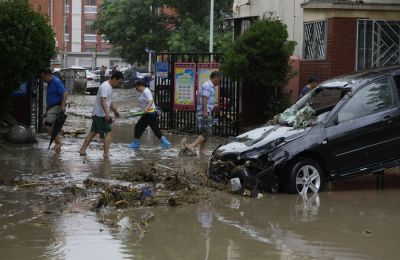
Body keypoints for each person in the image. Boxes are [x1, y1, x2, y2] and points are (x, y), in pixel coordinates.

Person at [79, 71, 123, 157]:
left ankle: (82, 150)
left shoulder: (109, 87)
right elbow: (103, 100)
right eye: (119, 82)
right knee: (109, 133)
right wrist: (106, 114)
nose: (119, 84)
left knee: (93, 133)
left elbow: (109, 101)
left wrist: (115, 111)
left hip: (97, 114)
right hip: (100, 115)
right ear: (114, 79)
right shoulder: (105, 86)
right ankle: (106, 154)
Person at [181, 71, 221, 156]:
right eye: (219, 80)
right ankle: (192, 145)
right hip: (203, 113)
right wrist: (205, 112)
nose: (219, 82)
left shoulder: (210, 86)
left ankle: (202, 151)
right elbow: (204, 99)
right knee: (207, 132)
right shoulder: (207, 86)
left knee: (205, 132)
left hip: (205, 112)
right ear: (215, 78)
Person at [127, 80, 171, 150]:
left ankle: (136, 143)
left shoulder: (146, 91)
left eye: (136, 88)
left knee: (138, 126)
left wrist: (146, 109)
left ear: (140, 85)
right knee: (154, 128)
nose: (136, 90)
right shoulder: (143, 92)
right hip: (149, 113)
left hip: (150, 113)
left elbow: (151, 100)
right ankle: (165, 142)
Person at [40, 68, 68, 152]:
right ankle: (58, 142)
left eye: (43, 77)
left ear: (48, 75)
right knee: (51, 126)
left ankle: (58, 142)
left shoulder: (56, 81)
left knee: (47, 125)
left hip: (57, 106)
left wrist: (63, 106)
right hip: (52, 107)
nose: (43, 79)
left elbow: (65, 93)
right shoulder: (50, 82)